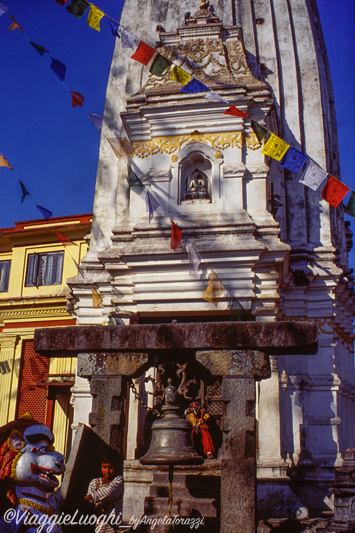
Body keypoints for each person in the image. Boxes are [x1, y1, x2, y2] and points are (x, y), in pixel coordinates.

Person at [84, 452, 124, 533]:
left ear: (116, 468)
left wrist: (89, 497)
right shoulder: (95, 482)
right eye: (104, 467)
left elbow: (109, 492)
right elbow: (89, 504)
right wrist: (96, 508)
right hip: (97, 527)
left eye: (110, 468)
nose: (107, 471)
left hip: (112, 528)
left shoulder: (118, 480)